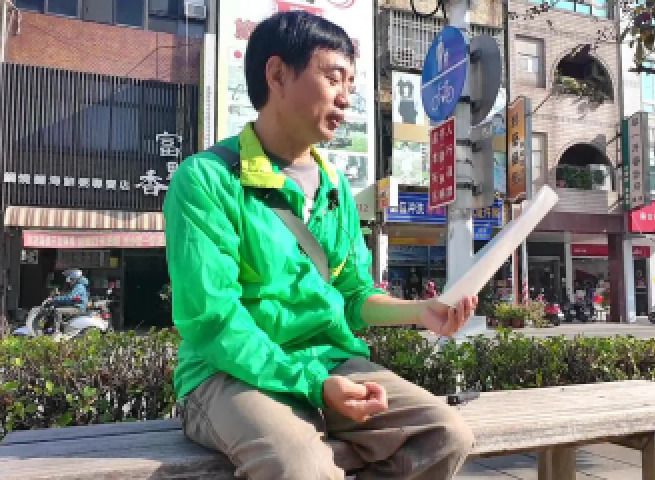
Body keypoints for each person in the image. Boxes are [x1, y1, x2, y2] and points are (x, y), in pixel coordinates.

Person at [162, 12, 477, 480]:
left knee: (444, 435)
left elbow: (352, 295)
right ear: (277, 75)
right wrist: (312, 384)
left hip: (328, 364)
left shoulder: (335, 187)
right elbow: (212, 319)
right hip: (227, 373)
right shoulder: (207, 180)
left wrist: (421, 311)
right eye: (333, 78)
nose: (346, 97)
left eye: (350, 83)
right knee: (302, 469)